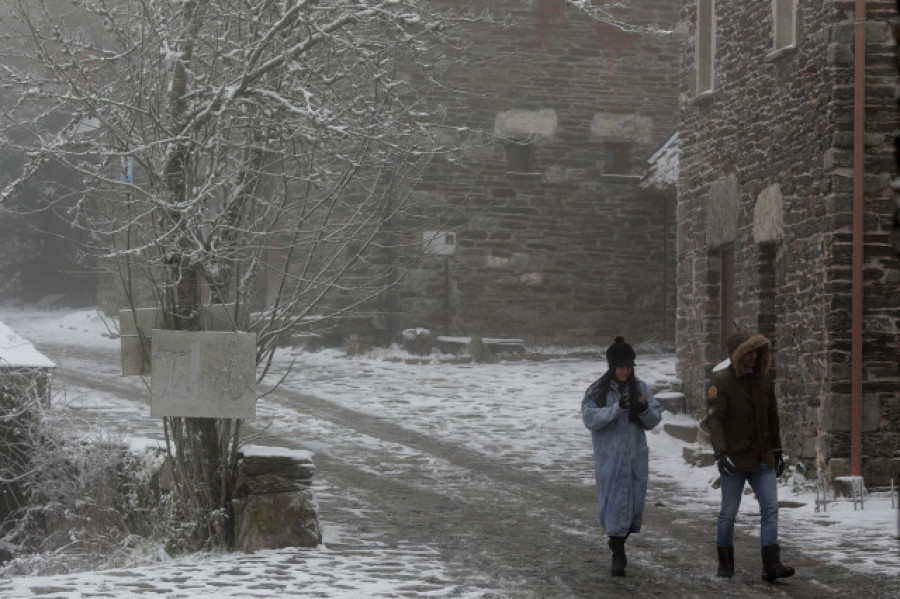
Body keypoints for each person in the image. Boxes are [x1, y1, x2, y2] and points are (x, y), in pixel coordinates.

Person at [706, 330, 795, 582]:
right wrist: (721, 453)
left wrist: (777, 450)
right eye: (749, 352)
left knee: (770, 509)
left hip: (761, 457)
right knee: (728, 513)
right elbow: (715, 420)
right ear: (738, 355)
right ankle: (725, 563)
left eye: (757, 351)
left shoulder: (764, 380)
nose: (754, 356)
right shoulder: (721, 382)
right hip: (734, 458)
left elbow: (772, 416)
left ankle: (772, 563)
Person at [581, 336, 662, 576]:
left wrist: (643, 409)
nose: (625, 371)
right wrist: (618, 409)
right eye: (620, 366)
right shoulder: (598, 391)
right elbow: (590, 418)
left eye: (628, 366)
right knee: (615, 506)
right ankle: (618, 552)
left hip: (635, 457)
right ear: (612, 367)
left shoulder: (642, 389)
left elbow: (654, 419)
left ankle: (619, 541)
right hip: (610, 459)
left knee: (633, 506)